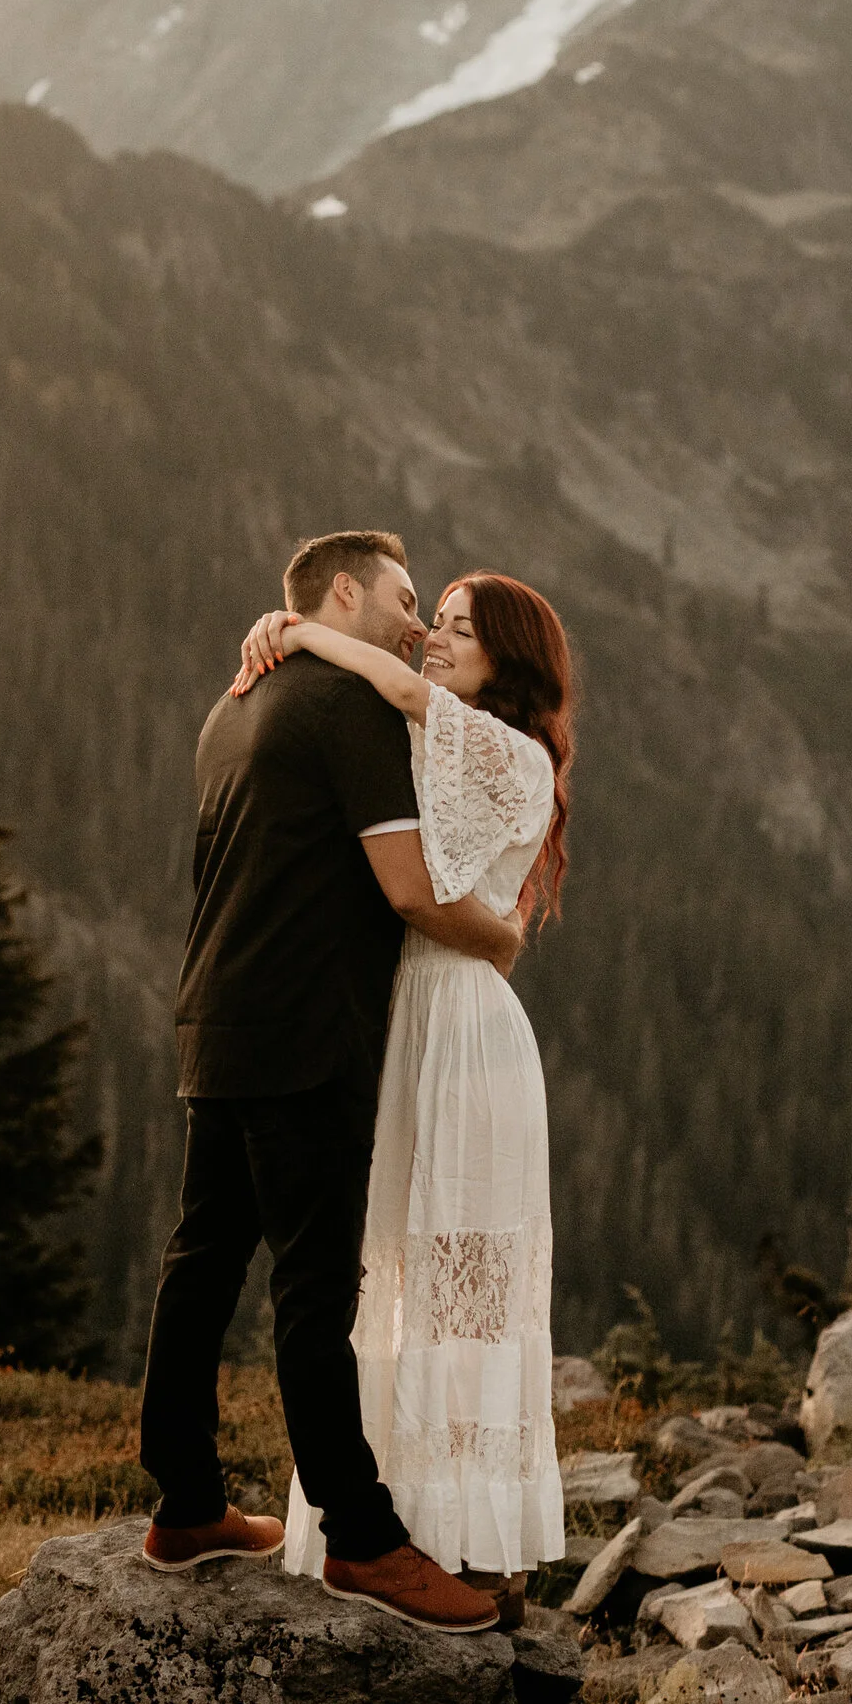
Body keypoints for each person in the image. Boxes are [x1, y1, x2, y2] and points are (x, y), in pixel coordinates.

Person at [136, 527, 527, 1634]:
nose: (414, 621)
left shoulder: (236, 704)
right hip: (307, 1031)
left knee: (202, 1261)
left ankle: (186, 1505)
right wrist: (499, 940)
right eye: (405, 599)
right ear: (344, 592)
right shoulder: (346, 707)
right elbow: (406, 888)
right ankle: (362, 1538)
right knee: (314, 1289)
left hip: (216, 1015)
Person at [233, 568, 571, 1622]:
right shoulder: (445, 744)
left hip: (463, 1030)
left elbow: (406, 691)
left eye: (460, 628)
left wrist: (299, 631)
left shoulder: (506, 750)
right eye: (436, 621)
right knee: (395, 1274)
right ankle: (403, 1525)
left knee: (464, 1287)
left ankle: (476, 1544)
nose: (435, 638)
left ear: (507, 657)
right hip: (408, 1021)